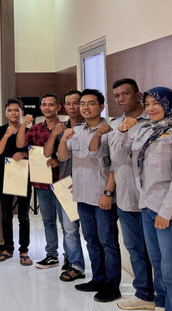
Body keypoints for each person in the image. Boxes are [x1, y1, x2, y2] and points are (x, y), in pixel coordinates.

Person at [112, 86, 172, 311]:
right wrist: (121, 132)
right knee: (158, 268)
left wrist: (166, 212)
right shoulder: (145, 130)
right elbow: (121, 157)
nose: (151, 109)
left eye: (156, 104)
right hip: (149, 208)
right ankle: (161, 306)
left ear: (169, 104)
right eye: (148, 104)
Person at [89, 79, 154, 309]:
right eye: (116, 95)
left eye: (125, 94)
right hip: (126, 199)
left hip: (152, 199)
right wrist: (99, 134)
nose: (120, 99)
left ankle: (163, 296)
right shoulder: (114, 125)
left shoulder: (154, 121)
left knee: (157, 253)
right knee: (135, 248)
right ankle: (144, 294)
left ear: (138, 95)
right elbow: (102, 156)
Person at [58, 89, 122, 303]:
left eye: (91, 103)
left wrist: (108, 193)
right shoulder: (76, 130)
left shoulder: (111, 130)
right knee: (92, 241)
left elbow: (114, 165)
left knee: (108, 242)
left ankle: (112, 286)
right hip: (82, 195)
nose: (85, 107)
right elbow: (63, 156)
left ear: (102, 106)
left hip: (102, 196)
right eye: (82, 103)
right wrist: (64, 138)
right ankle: (98, 278)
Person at [16, 94, 75, 271]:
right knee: (48, 221)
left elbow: (72, 153)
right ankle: (52, 255)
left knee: (67, 224)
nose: (47, 107)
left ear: (59, 107)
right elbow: (21, 144)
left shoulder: (66, 127)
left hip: (62, 181)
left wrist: (58, 160)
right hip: (41, 182)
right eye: (44, 105)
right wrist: (24, 124)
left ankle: (70, 257)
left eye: (51, 105)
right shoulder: (35, 128)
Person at [43, 89, 86, 281]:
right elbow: (54, 154)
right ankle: (75, 264)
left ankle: (100, 272)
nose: (72, 107)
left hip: (90, 184)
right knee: (69, 229)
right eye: (68, 103)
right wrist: (55, 135)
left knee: (95, 235)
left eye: (76, 103)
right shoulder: (61, 127)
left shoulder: (92, 127)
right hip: (66, 183)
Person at [0, 98, 32, 266]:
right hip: (5, 174)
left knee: (23, 215)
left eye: (17, 110)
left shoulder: (29, 130)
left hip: (24, 174)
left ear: (21, 112)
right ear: (6, 112)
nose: (13, 113)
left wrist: (24, 154)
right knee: (6, 214)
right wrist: (6, 136)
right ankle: (8, 247)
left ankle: (24, 250)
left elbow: (35, 152)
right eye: (10, 110)